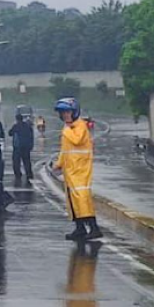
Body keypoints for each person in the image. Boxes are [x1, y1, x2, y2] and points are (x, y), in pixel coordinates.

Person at [51, 98, 102, 241]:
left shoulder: (79, 126)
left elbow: (77, 140)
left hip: (80, 169)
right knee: (73, 200)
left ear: (74, 112)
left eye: (67, 112)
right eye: (62, 113)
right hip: (70, 170)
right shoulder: (69, 128)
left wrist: (66, 129)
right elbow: (65, 150)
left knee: (82, 198)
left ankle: (94, 228)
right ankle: (80, 228)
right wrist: (58, 164)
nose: (65, 116)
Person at [9, 114, 35, 181]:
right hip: (26, 147)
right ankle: (29, 174)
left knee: (16, 162)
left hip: (18, 147)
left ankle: (18, 174)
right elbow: (31, 136)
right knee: (27, 161)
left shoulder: (16, 126)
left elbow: (10, 133)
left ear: (17, 119)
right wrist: (31, 145)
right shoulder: (27, 126)